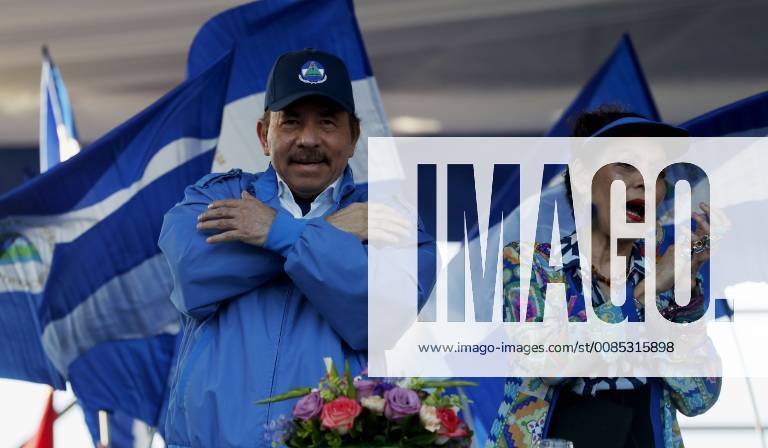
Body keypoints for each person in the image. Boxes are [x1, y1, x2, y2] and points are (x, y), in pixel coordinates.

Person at [158, 49, 435, 447]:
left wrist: (279, 233)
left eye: (327, 122)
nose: (308, 139)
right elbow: (192, 275)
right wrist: (327, 232)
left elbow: (380, 312)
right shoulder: (213, 198)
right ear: (263, 135)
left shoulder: (388, 216)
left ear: (354, 136)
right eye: (290, 122)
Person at [487, 108, 721, 448]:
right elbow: (549, 363)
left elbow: (698, 397)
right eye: (626, 164)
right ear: (583, 176)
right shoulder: (530, 263)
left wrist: (681, 298)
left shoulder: (669, 281)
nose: (643, 179)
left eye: (657, 173)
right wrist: (641, 296)